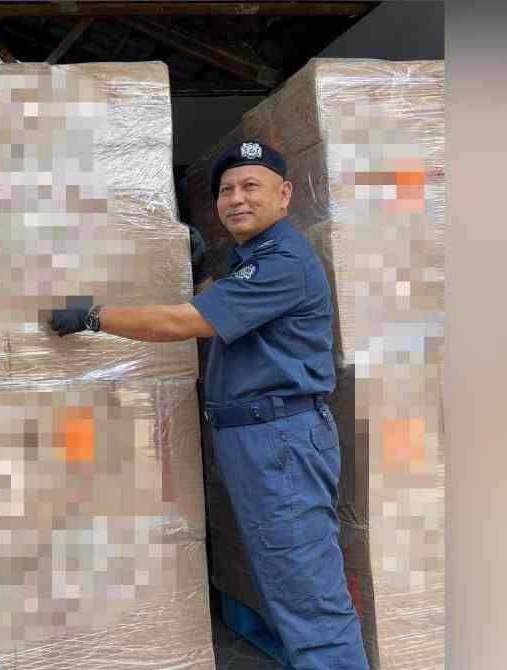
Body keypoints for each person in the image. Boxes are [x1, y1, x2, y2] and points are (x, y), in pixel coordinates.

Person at [48, 141, 369, 670]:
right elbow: (228, 317)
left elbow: (185, 324)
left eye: (250, 187)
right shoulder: (255, 261)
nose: (236, 199)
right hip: (260, 437)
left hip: (279, 439)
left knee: (308, 591)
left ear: (284, 194)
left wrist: (93, 316)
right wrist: (201, 277)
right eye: (226, 190)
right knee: (289, 581)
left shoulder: (283, 262)